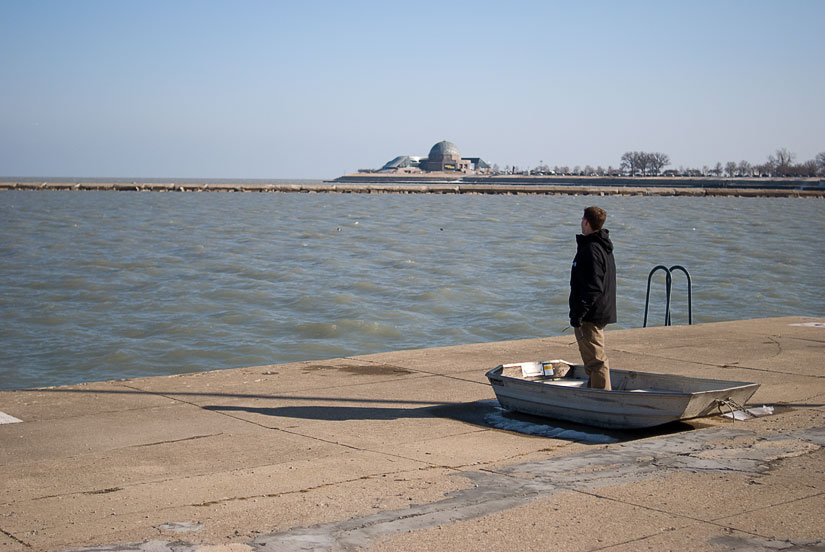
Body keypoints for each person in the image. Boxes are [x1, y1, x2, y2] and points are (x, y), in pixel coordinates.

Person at [569, 206, 617, 390]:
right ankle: (594, 392)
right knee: (592, 360)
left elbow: (593, 287)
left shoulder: (592, 250)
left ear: (587, 222)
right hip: (598, 310)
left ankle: (602, 398)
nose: (581, 222)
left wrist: (580, 313)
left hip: (591, 315)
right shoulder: (602, 246)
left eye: (582, 219)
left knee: (596, 360)